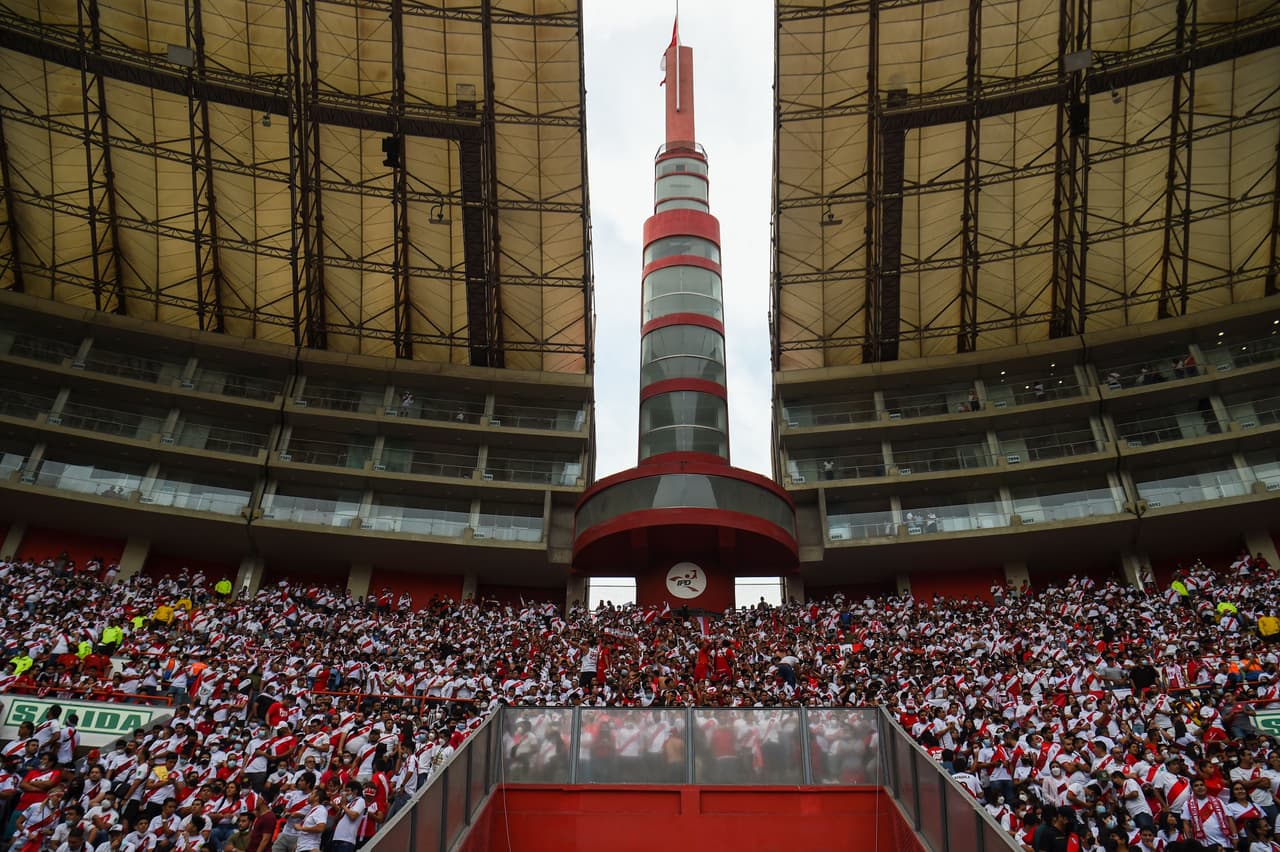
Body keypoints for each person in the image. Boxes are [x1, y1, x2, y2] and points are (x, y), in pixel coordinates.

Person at [1180, 777, 1235, 849]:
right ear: (1192, 789)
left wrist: (1235, 836)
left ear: (1205, 787)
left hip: (1225, 842)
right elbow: (1186, 824)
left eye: (1201, 785)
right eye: (1196, 786)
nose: (1199, 787)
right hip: (1203, 844)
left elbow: (1229, 818)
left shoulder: (1218, 801)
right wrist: (1191, 843)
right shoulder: (1187, 804)